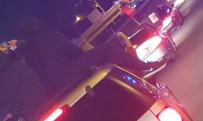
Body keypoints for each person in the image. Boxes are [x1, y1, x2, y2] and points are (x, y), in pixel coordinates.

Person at [15, 16, 148, 94]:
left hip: (59, 92)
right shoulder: (50, 36)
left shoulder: (29, 55)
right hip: (72, 75)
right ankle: (144, 67)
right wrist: (90, 61)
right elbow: (76, 52)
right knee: (106, 48)